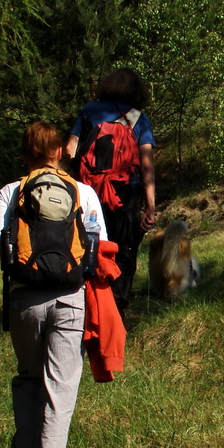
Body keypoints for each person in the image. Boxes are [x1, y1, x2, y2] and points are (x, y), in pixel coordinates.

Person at [0, 121, 107, 448]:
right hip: (70, 297)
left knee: (28, 375)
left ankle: (24, 447)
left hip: (24, 298)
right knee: (61, 386)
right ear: (59, 152)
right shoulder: (83, 191)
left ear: (25, 155)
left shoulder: (11, 191)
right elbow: (100, 245)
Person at [66, 67, 156, 314]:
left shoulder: (88, 112)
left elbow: (70, 150)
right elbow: (146, 163)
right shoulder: (139, 118)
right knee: (123, 249)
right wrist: (150, 205)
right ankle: (116, 309)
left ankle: (88, 304)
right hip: (126, 193)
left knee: (90, 246)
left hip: (89, 193)